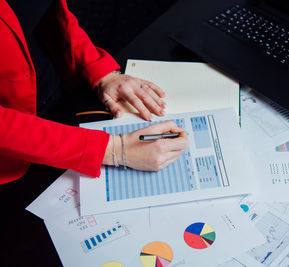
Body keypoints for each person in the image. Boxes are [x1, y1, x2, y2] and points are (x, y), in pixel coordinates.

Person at [0, 0, 189, 184]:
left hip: (54, 92)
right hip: (12, 156)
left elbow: (45, 12)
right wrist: (112, 150)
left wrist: (97, 68)